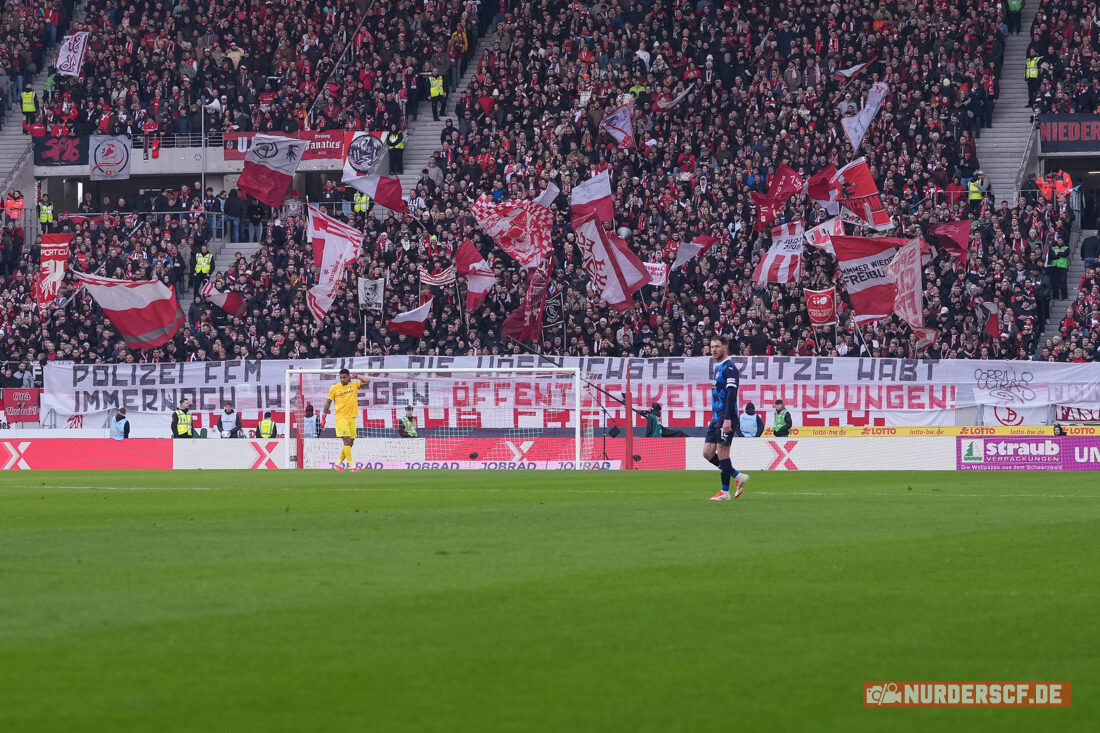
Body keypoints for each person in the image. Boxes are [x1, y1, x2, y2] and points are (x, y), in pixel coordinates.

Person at [704, 335, 749, 501]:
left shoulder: (729, 368)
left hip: (726, 416)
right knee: (708, 453)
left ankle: (725, 492)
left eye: (717, 346)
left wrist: (728, 419)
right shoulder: (717, 368)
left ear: (725, 348)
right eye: (712, 346)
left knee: (722, 452)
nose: (713, 349)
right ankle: (737, 476)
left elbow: (731, 394)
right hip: (716, 417)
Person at [322, 368, 370, 471]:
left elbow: (367, 381)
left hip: (352, 418)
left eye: (344, 377)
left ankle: (338, 464)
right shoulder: (334, 388)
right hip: (341, 418)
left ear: (349, 377)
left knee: (351, 443)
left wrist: (356, 376)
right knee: (347, 440)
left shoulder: (353, 385)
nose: (342, 379)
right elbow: (328, 402)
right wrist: (324, 417)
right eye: (341, 378)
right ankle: (352, 466)